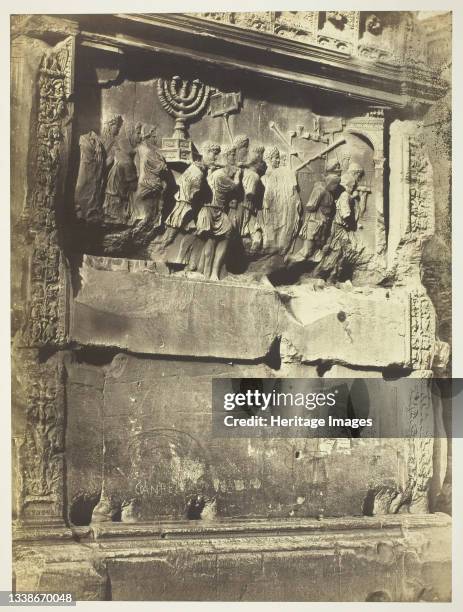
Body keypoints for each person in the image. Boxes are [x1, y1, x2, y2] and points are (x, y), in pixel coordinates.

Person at [195, 145, 240, 280]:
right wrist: (238, 175)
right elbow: (235, 186)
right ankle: (210, 273)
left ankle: (211, 273)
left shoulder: (215, 173)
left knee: (222, 235)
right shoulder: (221, 175)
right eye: (232, 155)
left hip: (215, 210)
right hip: (212, 210)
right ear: (226, 157)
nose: (235, 158)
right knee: (215, 238)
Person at [287, 173, 340, 263]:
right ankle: (290, 263)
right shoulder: (320, 190)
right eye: (335, 184)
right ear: (330, 183)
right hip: (315, 222)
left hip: (324, 223)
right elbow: (310, 206)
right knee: (307, 250)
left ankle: (308, 267)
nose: (336, 187)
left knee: (317, 250)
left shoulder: (330, 194)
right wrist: (321, 210)